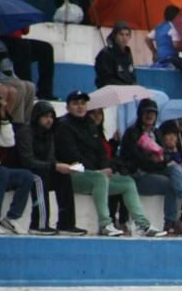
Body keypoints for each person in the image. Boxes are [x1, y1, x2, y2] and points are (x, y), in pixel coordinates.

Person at [54, 91, 164, 238]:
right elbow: (72, 156)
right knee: (99, 178)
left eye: (82, 103)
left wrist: (107, 167)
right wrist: (98, 171)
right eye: (75, 104)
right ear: (67, 107)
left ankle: (143, 225)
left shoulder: (90, 124)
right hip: (72, 173)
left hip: (94, 174)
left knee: (127, 182)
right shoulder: (63, 126)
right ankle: (106, 224)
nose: (80, 107)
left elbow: (100, 151)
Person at [119, 99, 182, 235]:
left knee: (175, 168)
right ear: (140, 114)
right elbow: (137, 159)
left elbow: (166, 156)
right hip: (138, 175)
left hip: (154, 170)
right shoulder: (132, 133)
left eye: (153, 113)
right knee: (169, 183)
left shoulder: (157, 133)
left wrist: (162, 159)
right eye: (146, 112)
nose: (150, 116)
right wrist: (155, 161)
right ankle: (170, 221)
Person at [15, 100, 83, 236]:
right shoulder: (25, 131)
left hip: (41, 169)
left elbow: (50, 159)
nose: (49, 120)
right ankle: (38, 225)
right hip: (22, 171)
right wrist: (54, 166)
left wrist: (63, 167)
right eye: (45, 116)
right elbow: (27, 161)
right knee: (39, 179)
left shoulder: (49, 134)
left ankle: (66, 224)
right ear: (37, 117)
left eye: (51, 117)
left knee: (63, 177)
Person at [0, 91, 39, 234]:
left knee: (26, 176)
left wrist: (3, 116)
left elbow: (8, 142)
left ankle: (11, 218)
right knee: (1, 172)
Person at [0, 19, 35, 124]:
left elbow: (8, 66)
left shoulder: (1, 44)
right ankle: (16, 121)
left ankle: (26, 121)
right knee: (19, 86)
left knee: (30, 86)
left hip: (4, 76)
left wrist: (14, 77)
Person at [94, 21, 136, 88]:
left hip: (126, 90)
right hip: (110, 90)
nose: (124, 38)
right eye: (121, 34)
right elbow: (106, 79)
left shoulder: (127, 53)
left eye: (127, 35)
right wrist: (125, 87)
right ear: (115, 35)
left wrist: (134, 86)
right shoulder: (106, 53)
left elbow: (132, 75)